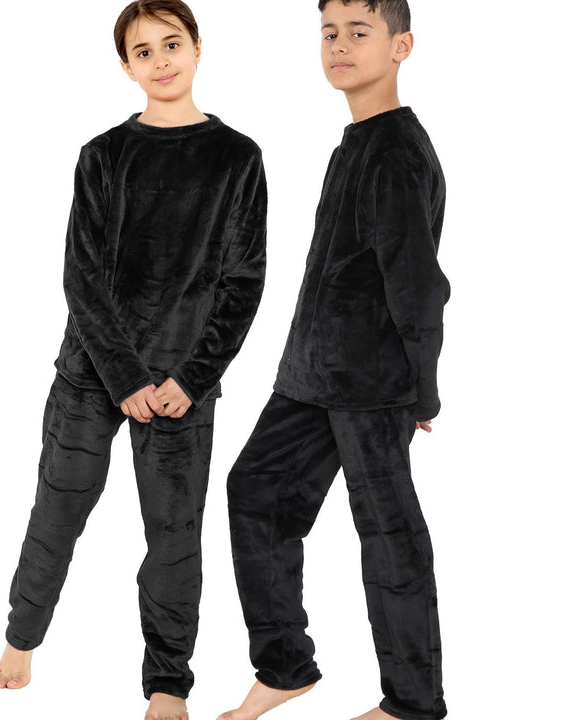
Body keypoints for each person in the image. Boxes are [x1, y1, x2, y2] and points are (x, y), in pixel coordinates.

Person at [0, 3, 267, 720]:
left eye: (172, 43)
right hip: (92, 374)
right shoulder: (103, 155)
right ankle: (22, 638)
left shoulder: (238, 158)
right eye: (143, 51)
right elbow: (81, 275)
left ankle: (168, 684)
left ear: (198, 47)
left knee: (174, 538)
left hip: (182, 385)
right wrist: (124, 377)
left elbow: (243, 282)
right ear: (126, 67)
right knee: (58, 508)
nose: (161, 60)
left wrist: (190, 379)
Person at [217, 2, 449, 720]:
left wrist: (423, 389)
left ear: (402, 46)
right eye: (329, 33)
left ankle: (411, 704)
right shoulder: (356, 141)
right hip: (310, 377)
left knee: (388, 536)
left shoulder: (397, 152)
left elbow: (419, 284)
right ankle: (286, 667)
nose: (339, 46)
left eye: (359, 32)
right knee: (255, 493)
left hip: (372, 383)